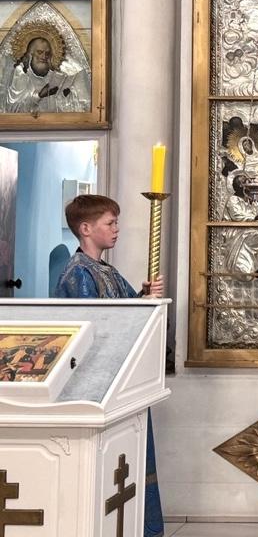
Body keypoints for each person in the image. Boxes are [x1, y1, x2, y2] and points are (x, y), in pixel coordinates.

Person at [53, 194, 165, 537]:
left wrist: (143, 297)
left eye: (116, 222)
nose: (117, 229)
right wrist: (140, 304)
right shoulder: (78, 273)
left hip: (122, 381)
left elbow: (126, 311)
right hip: (98, 384)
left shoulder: (106, 270)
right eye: (110, 223)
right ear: (86, 229)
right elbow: (97, 326)